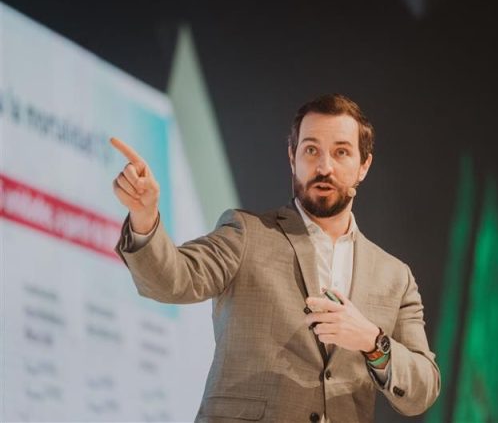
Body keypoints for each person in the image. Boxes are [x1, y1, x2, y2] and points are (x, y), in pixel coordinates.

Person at [111, 94, 440, 422]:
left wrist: (372, 341)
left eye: (341, 152)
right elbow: (172, 280)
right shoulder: (246, 233)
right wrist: (144, 216)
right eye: (311, 150)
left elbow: (423, 390)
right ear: (292, 158)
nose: (324, 167)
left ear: (363, 166)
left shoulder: (394, 277)